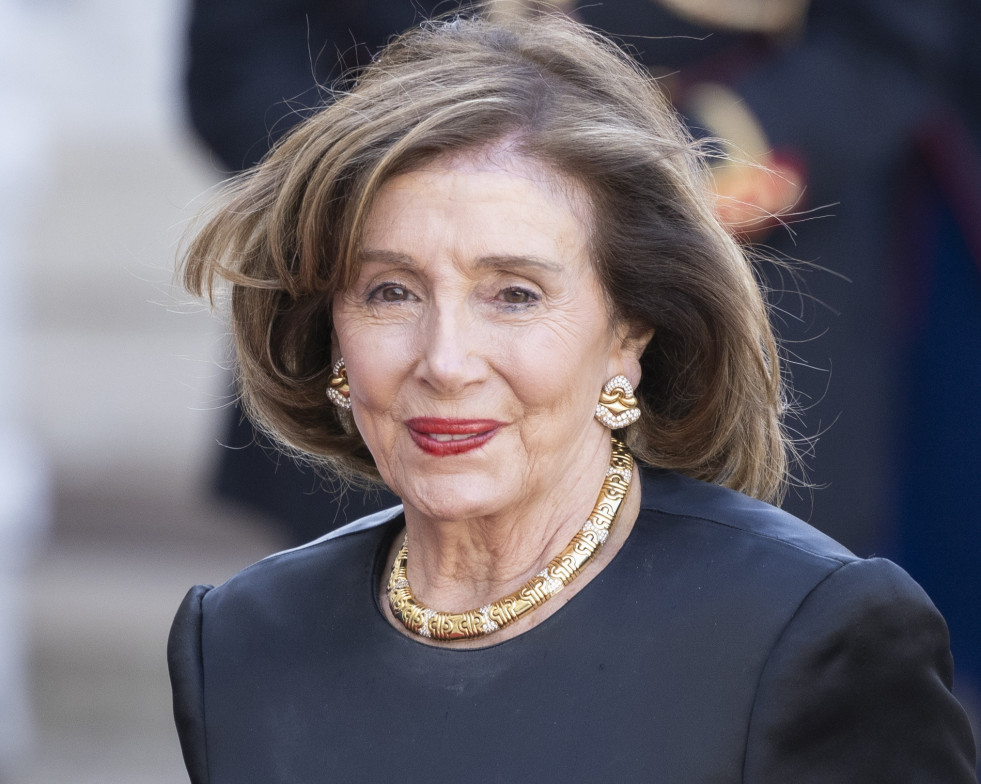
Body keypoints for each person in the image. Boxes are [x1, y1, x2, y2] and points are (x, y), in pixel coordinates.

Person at [168, 12, 977, 782]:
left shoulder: (810, 636)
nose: (445, 362)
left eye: (514, 294)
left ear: (631, 329)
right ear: (330, 327)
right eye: (389, 291)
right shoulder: (239, 643)